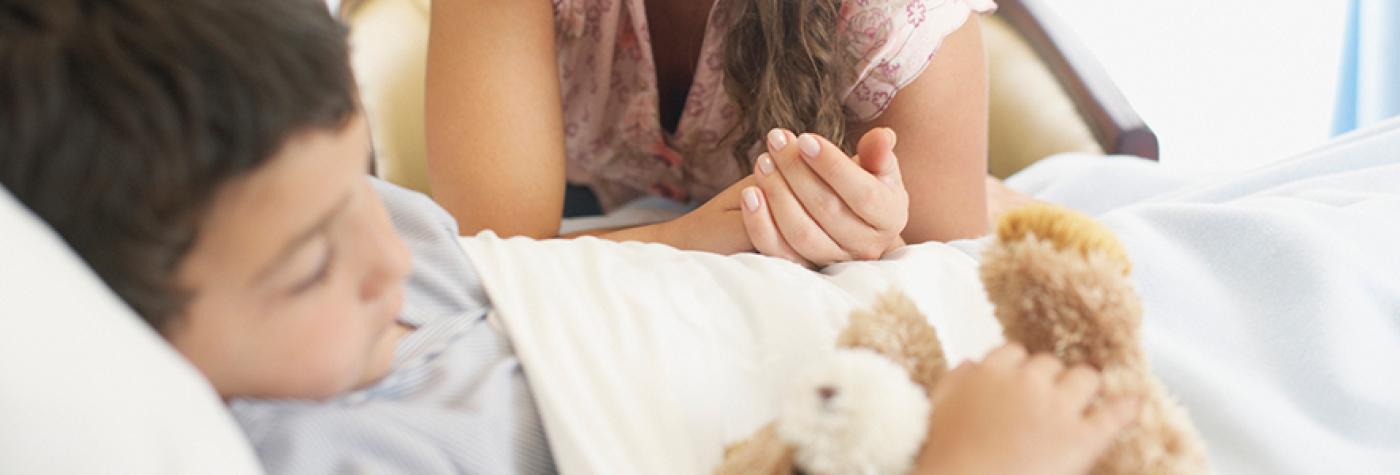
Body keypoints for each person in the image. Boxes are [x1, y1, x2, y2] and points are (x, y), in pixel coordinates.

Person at [0, 0, 1135, 472]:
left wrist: (729, 228)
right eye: (307, 266)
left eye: (364, 190)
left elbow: (492, 251)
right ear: (128, 327)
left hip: (866, 294)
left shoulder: (360, 244)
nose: (392, 257)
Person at [423, 0, 998, 267]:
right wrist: (686, 238)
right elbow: (490, 256)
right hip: (582, 193)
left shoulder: (903, 15)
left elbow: (954, 282)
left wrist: (874, 238)